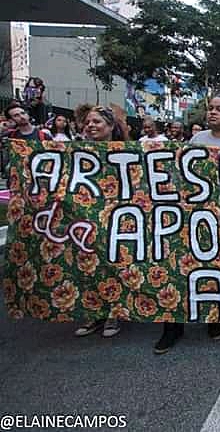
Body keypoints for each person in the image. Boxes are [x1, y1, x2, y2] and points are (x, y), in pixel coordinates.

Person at [154, 95, 220, 355]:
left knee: (217, 268)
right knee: (179, 268)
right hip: (193, 218)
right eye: (210, 108)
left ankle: (215, 318)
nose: (212, 113)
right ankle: (172, 328)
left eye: (219, 109)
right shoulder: (196, 141)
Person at [74, 106, 128, 339]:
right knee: (88, 264)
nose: (91, 126)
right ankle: (93, 312)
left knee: (113, 262)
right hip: (85, 217)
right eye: (88, 122)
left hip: (117, 217)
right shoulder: (75, 152)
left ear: (110, 126)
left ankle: (113, 312)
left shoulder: (128, 151)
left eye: (96, 122)